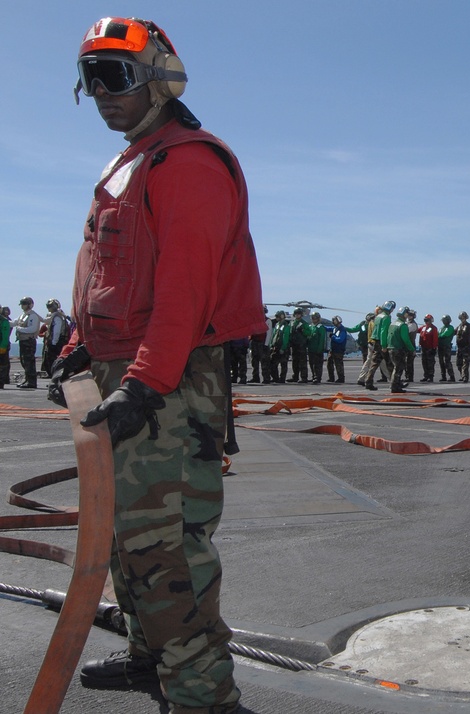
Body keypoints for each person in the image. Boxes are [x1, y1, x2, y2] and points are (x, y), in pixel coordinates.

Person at [50, 16, 265, 712]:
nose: (103, 94)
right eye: (91, 80)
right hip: (127, 372)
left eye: (115, 76)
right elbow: (110, 276)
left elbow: (184, 289)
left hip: (166, 383)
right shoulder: (133, 161)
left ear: (158, 76)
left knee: (165, 547)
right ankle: (153, 655)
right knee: (125, 536)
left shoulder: (189, 160)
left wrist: (144, 382)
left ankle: (204, 696)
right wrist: (76, 348)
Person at [13, 297, 42, 388]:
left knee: (29, 362)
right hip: (23, 341)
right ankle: (28, 380)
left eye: (24, 304)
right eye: (22, 304)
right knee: (24, 361)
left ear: (30, 304)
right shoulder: (23, 315)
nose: (22, 306)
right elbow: (14, 322)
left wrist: (19, 329)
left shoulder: (32, 316)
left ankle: (31, 382)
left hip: (29, 341)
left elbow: (32, 329)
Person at [387, 308, 415, 393]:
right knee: (398, 368)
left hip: (391, 348)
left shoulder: (393, 324)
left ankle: (396, 384)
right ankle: (395, 386)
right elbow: (405, 339)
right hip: (398, 349)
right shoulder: (402, 325)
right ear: (405, 314)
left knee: (395, 367)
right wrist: (412, 349)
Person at [41, 299, 70, 378]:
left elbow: (56, 331)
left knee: (52, 360)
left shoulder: (57, 317)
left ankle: (54, 376)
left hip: (57, 342)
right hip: (55, 341)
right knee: (48, 360)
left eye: (50, 306)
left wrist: (54, 342)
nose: (49, 308)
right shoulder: (55, 316)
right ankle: (52, 375)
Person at [249, 305, 272, 383]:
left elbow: (269, 334)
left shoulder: (268, 321)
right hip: (254, 343)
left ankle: (266, 378)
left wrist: (266, 344)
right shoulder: (254, 320)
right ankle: (255, 377)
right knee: (254, 361)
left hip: (262, 343)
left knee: (264, 361)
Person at [288, 307, 309, 382]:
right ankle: (295, 376)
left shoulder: (304, 323)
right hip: (294, 345)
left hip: (301, 345)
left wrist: (303, 331)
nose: (297, 315)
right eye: (296, 314)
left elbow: (308, 333)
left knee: (302, 362)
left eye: (299, 314)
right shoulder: (292, 323)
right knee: (295, 361)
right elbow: (289, 333)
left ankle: (304, 377)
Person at [305, 311, 327, 384]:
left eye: (315, 318)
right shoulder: (310, 326)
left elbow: (322, 340)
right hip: (311, 349)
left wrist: (320, 349)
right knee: (311, 364)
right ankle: (314, 376)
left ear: (318, 319)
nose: (314, 319)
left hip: (317, 350)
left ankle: (317, 378)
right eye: (313, 318)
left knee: (317, 365)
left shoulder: (320, 327)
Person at [269, 310, 290, 383]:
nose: (276, 318)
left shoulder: (286, 326)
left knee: (283, 364)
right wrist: (271, 344)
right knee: (273, 364)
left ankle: (282, 378)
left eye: (278, 316)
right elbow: (274, 335)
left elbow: (285, 337)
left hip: (282, 348)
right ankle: (275, 377)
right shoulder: (277, 324)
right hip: (276, 347)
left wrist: (283, 348)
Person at [327, 315, 348, 383]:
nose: (333, 322)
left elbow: (340, 340)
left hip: (338, 350)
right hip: (333, 349)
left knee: (338, 365)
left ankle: (341, 378)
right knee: (329, 363)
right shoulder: (335, 328)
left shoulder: (342, 330)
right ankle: (331, 378)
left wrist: (333, 337)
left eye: (334, 320)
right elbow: (328, 328)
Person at [418, 313, 439, 382]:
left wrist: (434, 348)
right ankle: (426, 376)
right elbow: (417, 330)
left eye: (428, 320)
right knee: (424, 362)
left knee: (430, 363)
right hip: (423, 347)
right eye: (425, 320)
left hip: (430, 348)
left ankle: (430, 376)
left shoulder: (434, 328)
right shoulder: (423, 327)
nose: (426, 322)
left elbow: (435, 338)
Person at [455, 311, 470, 382]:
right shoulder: (459, 326)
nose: (462, 319)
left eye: (463, 317)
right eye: (461, 317)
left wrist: (469, 347)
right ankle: (462, 375)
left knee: (465, 363)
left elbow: (469, 337)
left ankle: (465, 377)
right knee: (458, 363)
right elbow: (454, 332)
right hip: (459, 348)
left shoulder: (469, 326)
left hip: (466, 347)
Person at [437, 314, 457, 382]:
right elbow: (438, 334)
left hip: (446, 346)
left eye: (445, 320)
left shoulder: (450, 328)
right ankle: (443, 376)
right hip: (440, 346)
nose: (444, 321)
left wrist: (438, 337)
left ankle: (451, 376)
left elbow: (445, 334)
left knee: (447, 361)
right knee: (441, 361)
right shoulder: (441, 328)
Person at [0, 306, 11, 388]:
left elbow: (5, 336)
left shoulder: (4, 321)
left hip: (2, 346)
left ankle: (1, 382)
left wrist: (3, 347)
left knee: (3, 365)